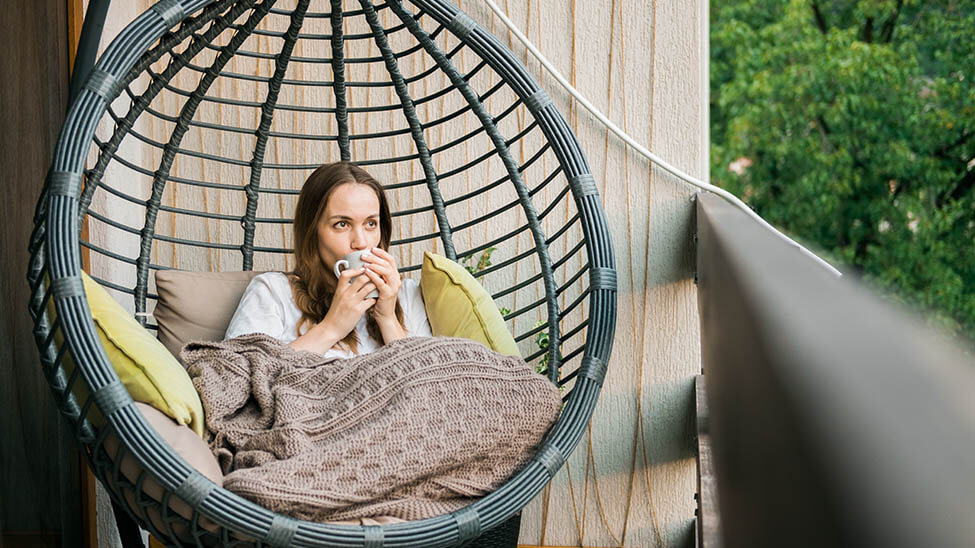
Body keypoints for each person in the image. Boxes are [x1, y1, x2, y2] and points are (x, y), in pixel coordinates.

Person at [224, 161, 431, 358]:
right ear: (312, 232)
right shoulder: (273, 293)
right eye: (342, 224)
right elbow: (236, 375)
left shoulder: (405, 294)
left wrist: (387, 319)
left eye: (371, 224)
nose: (361, 242)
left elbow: (432, 387)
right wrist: (332, 327)